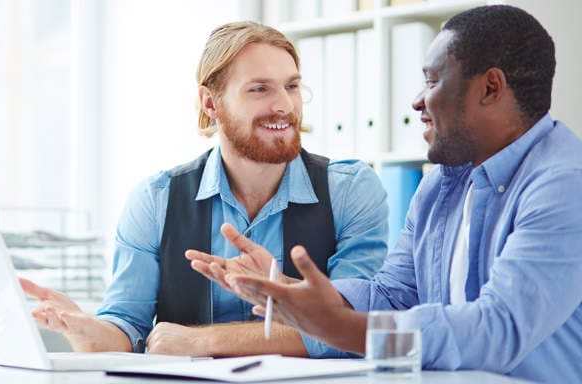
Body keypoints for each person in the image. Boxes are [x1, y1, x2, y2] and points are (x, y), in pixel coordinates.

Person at [188, 5, 582, 382]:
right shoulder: (441, 184)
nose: (416, 102)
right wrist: (299, 294)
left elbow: (497, 328)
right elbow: (393, 295)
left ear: (490, 87)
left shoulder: (564, 184)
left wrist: (341, 327)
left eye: (431, 81)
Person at [20, 21, 389, 358]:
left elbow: (353, 329)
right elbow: (126, 327)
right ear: (211, 103)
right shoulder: (155, 200)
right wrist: (88, 332)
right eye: (259, 89)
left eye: (292, 86)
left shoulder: (349, 190)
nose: (284, 105)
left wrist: (203, 340)